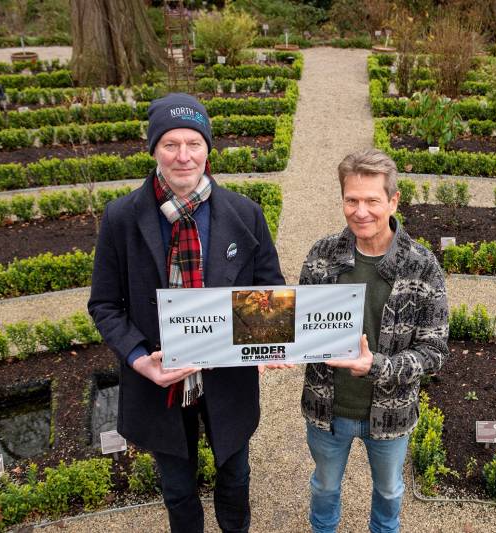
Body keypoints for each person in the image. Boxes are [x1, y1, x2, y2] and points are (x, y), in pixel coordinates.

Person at [88, 93, 284, 533]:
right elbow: (104, 304)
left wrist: (269, 336)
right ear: (154, 149)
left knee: (235, 479)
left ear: (208, 148)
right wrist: (140, 360)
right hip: (159, 382)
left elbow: (267, 290)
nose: (183, 156)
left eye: (193, 143)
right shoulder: (121, 217)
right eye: (170, 144)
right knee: (177, 488)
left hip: (227, 379)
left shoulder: (245, 215)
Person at [298, 148, 449, 533]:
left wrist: (377, 366)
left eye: (371, 200)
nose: (360, 211)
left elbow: (434, 353)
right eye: (351, 200)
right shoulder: (322, 254)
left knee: (389, 491)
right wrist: (277, 347)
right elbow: (303, 325)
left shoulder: (422, 264)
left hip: (391, 413)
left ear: (393, 200)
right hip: (326, 410)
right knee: (325, 486)